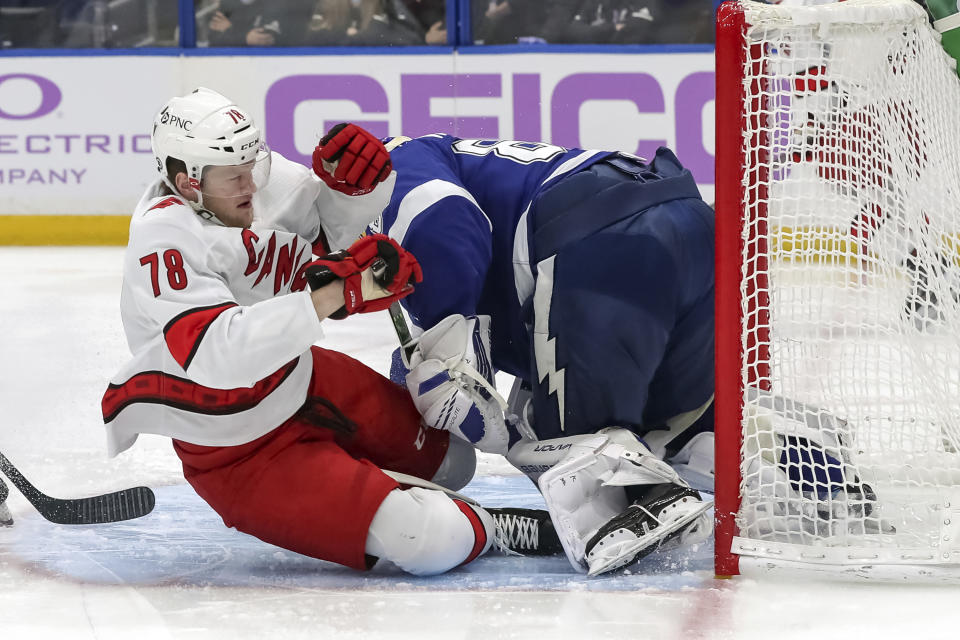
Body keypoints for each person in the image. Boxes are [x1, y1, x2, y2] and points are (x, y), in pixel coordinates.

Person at [99, 88, 498, 576]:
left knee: (456, 463)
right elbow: (216, 354)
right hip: (235, 449)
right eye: (235, 177)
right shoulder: (162, 239)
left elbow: (328, 244)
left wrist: (357, 191)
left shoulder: (256, 183)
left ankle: (388, 488)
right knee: (433, 542)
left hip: (305, 378)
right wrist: (333, 295)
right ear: (188, 184)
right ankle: (485, 526)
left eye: (254, 166)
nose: (253, 184)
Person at [333, 134, 718, 575]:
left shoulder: (379, 175)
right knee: (683, 423)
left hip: (607, 245)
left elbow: (443, 221)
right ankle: (792, 473)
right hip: (689, 222)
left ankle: (639, 496)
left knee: (561, 441)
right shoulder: (448, 159)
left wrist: (467, 386)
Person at [207, 0, 315, 47]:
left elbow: (265, 38)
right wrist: (244, 37)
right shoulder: (228, 3)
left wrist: (231, 30)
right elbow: (214, 40)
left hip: (275, 66)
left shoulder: (280, 4)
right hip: (233, 69)